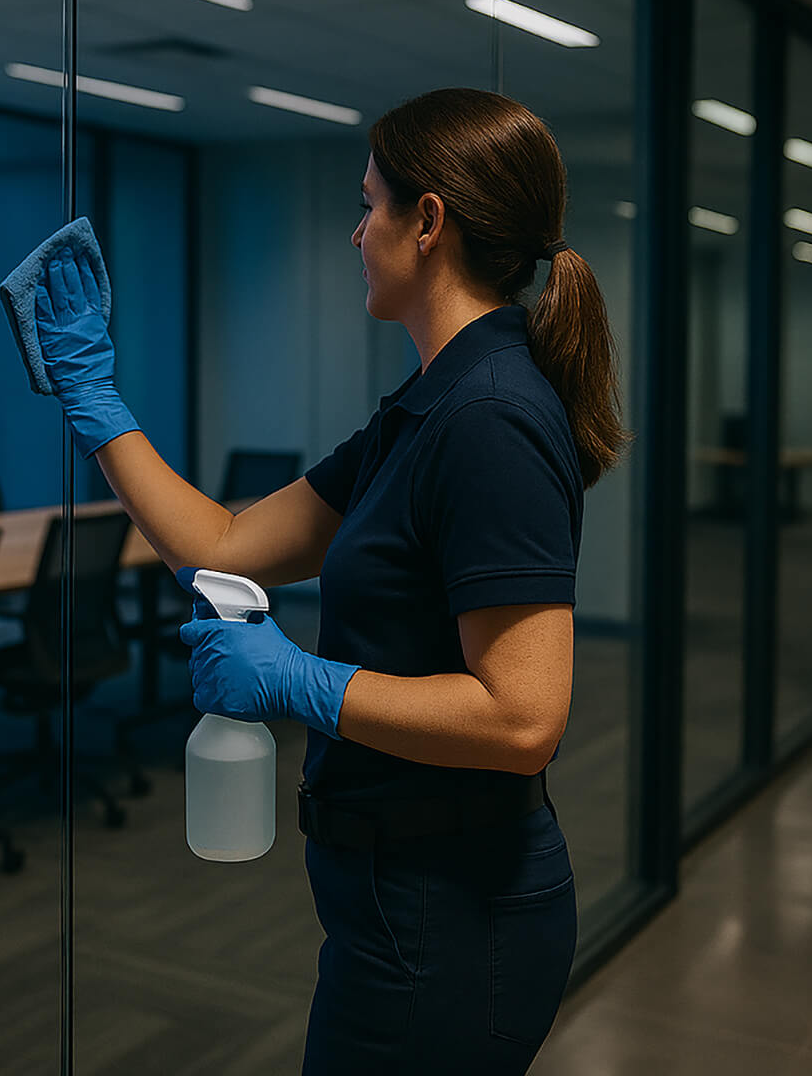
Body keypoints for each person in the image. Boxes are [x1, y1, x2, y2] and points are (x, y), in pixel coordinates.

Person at [34, 87, 632, 1075]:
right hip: (400, 896)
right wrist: (95, 399)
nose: (357, 234)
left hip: (452, 913)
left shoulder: (487, 417)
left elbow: (525, 717)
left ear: (427, 221)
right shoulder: (427, 411)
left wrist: (298, 681)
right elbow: (224, 541)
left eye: (369, 206)